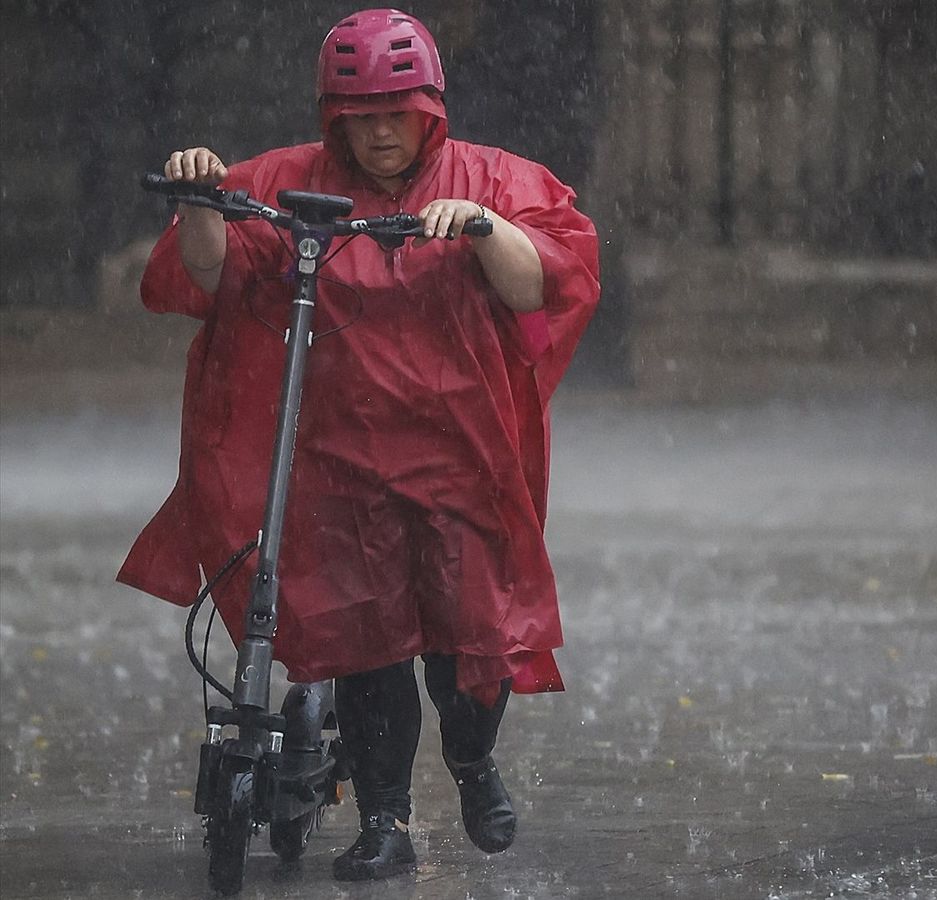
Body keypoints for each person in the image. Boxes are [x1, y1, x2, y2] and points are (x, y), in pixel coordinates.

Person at [118, 8, 600, 881]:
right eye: (362, 115)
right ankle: (384, 821)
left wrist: (487, 228)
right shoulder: (291, 183)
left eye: (398, 112)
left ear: (432, 107)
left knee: (467, 645)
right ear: (331, 115)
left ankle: (471, 764)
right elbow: (214, 272)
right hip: (343, 465)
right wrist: (200, 198)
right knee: (370, 652)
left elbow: (546, 285)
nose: (381, 133)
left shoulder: (496, 177)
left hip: (463, 459)